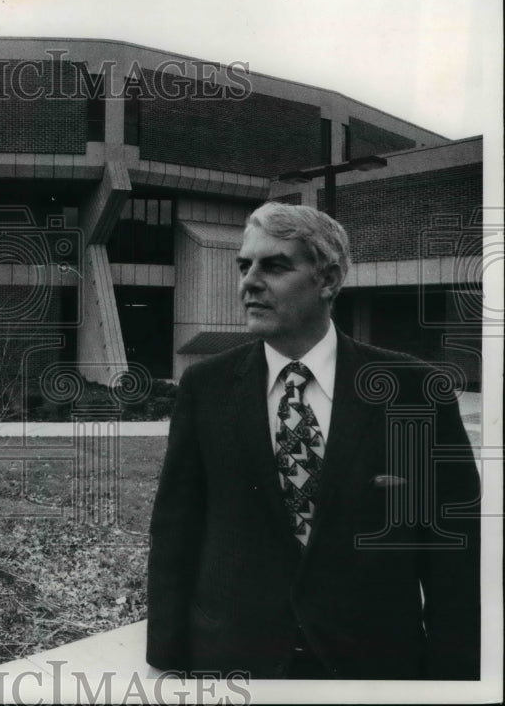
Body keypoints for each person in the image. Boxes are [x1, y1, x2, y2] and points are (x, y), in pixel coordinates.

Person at [147, 202, 480, 679]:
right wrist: (168, 658)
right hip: (234, 666)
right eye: (244, 265)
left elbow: (455, 554)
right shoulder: (206, 385)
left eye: (275, 265)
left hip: (373, 669)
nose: (249, 282)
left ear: (328, 279)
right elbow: (176, 530)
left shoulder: (413, 390)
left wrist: (454, 676)